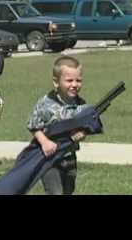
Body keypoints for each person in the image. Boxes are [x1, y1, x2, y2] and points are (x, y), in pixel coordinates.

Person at [27, 56, 87, 195]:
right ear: (56, 82)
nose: (74, 84)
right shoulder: (46, 103)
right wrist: (45, 142)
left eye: (78, 80)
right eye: (69, 80)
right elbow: (33, 125)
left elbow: (84, 127)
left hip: (69, 157)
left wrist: (82, 134)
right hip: (49, 159)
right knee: (55, 192)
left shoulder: (81, 104)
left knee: (68, 191)